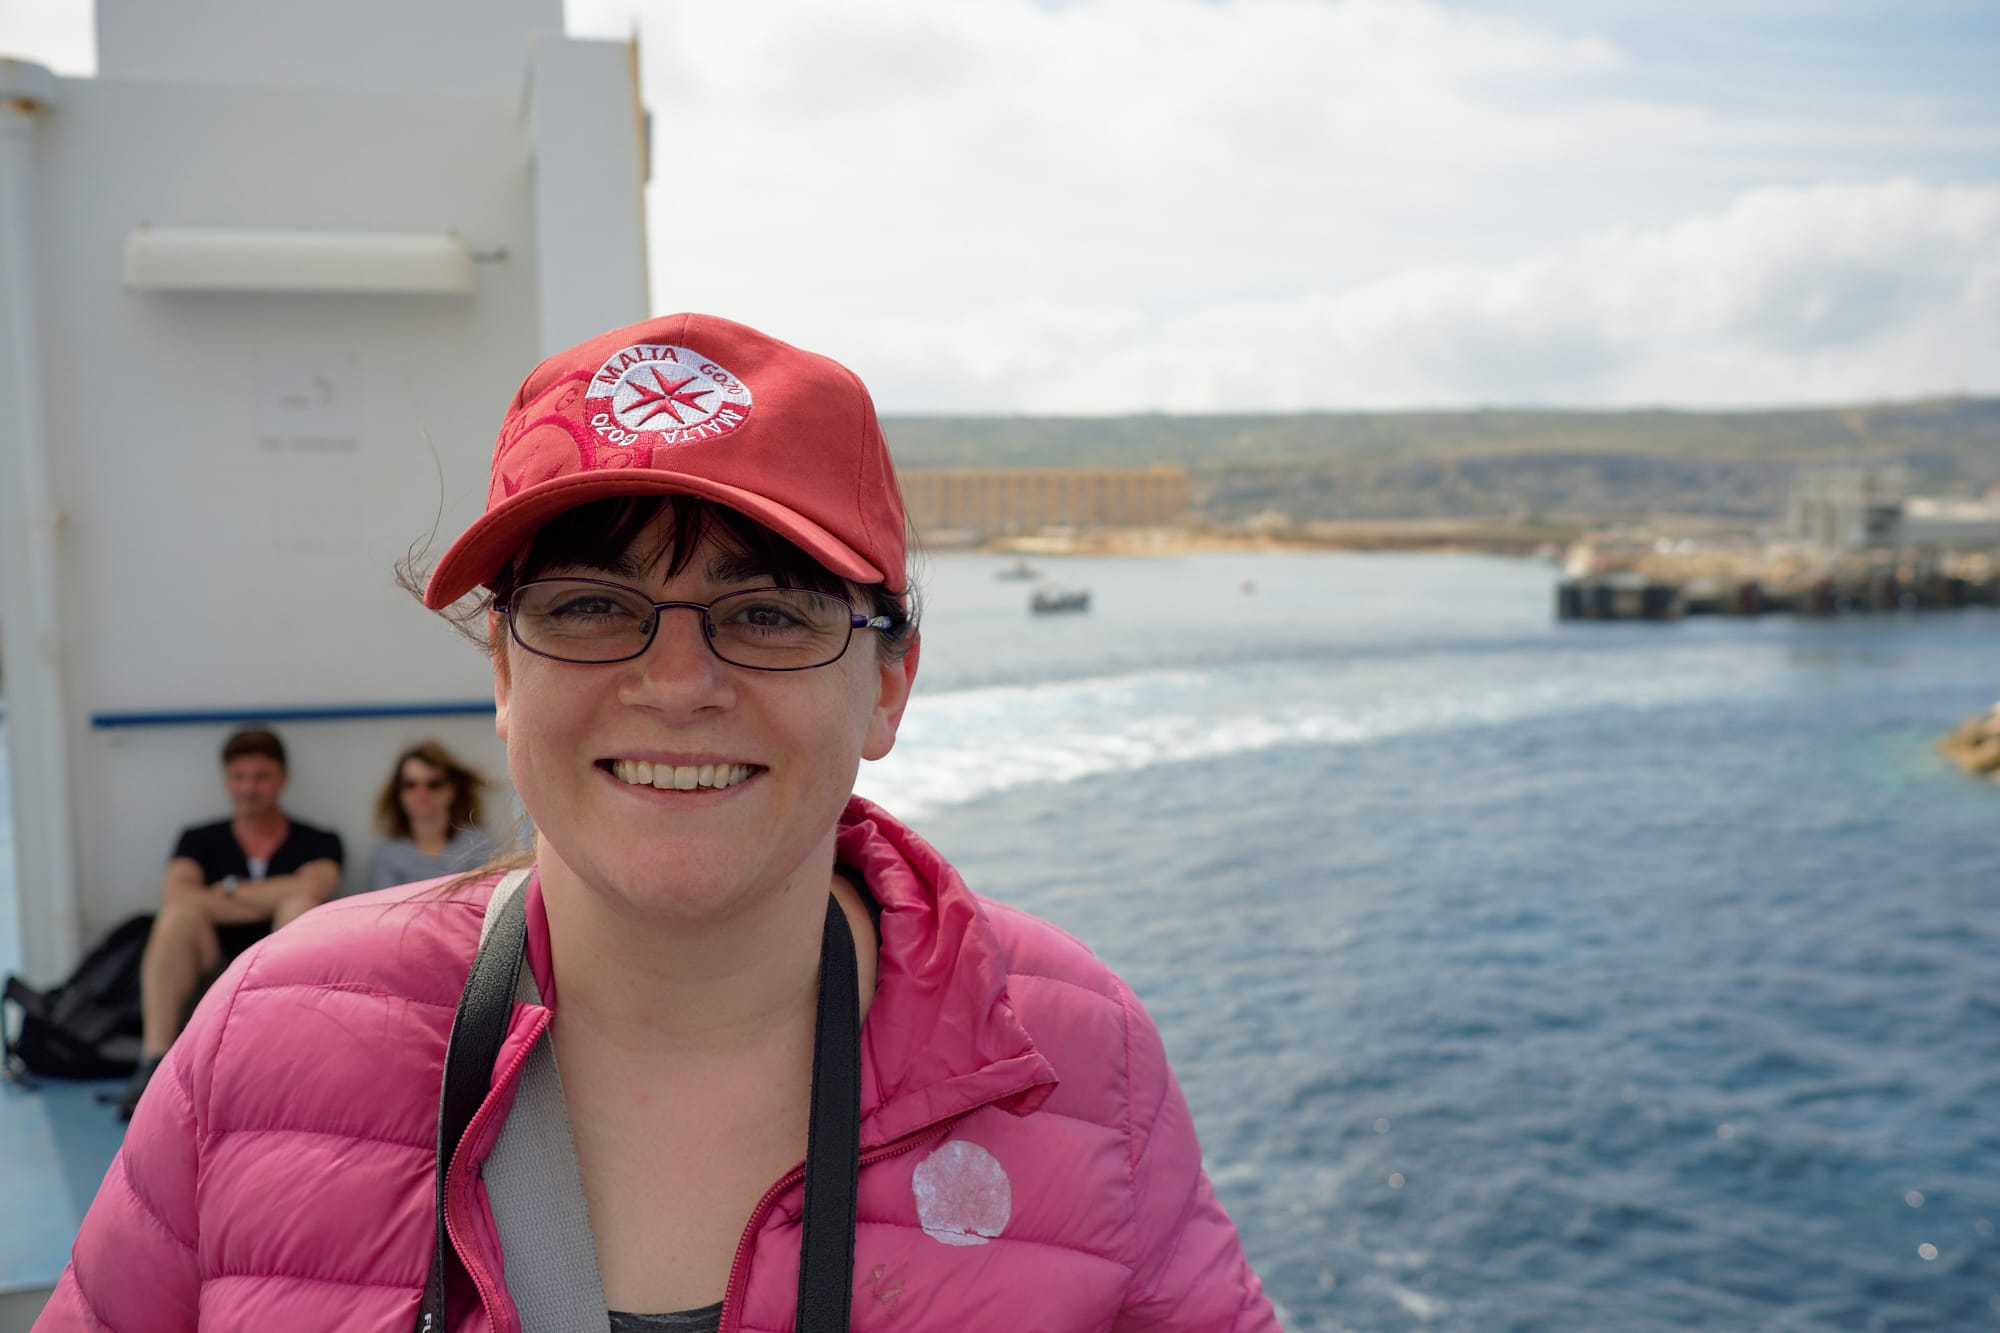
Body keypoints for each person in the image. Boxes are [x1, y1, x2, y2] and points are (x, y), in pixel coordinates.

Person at [42, 315, 1279, 1330]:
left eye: (770, 612)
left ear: (887, 685)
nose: (677, 684)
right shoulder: (263, 1041)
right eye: (588, 605)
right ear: (505, 675)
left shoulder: (1078, 1061)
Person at [113, 726, 343, 1119]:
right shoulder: (198, 839)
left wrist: (226, 893)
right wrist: (269, 894)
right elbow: (178, 895)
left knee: (300, 906)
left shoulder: (319, 840)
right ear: (227, 782)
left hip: (278, 972)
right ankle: (151, 1061)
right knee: (179, 917)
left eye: (260, 777)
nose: (249, 788)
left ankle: (286, 1060)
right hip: (210, 965)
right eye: (239, 777)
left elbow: (315, 889)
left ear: (281, 780)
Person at [366, 739, 496, 894]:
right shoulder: (387, 855)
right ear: (399, 793)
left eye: (433, 784)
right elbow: (384, 913)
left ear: (451, 790)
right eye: (410, 784)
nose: (421, 793)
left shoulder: (479, 846)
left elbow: (485, 905)